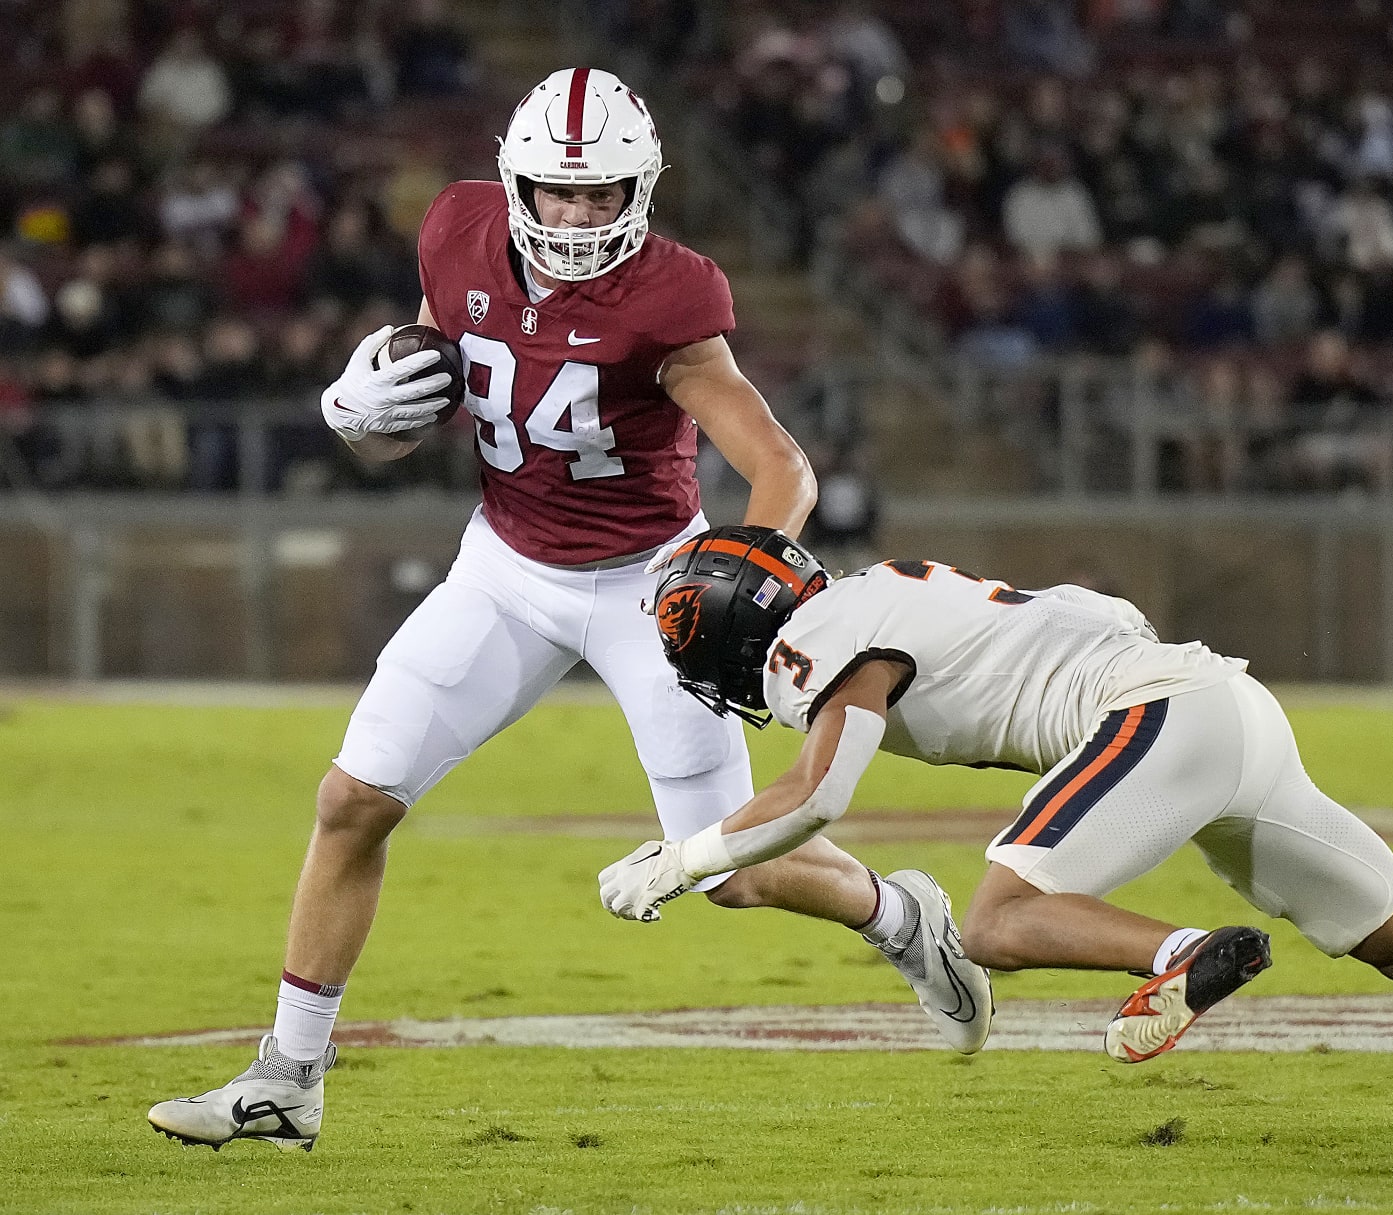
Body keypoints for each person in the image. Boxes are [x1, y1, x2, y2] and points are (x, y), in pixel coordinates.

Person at [147, 69, 989, 1153]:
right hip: (504, 571)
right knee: (353, 799)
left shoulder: (673, 298)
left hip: (647, 586)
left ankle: (899, 914)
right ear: (515, 184)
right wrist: (359, 415)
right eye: (556, 192)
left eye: (601, 196)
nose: (579, 215)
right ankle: (288, 1075)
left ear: (641, 191)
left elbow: (780, 465)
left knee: (725, 871)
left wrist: (752, 556)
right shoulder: (455, 233)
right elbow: (423, 402)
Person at [601, 526, 1393, 1177]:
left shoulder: (821, 640)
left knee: (994, 921)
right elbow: (1103, 613)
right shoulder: (894, 588)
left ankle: (1189, 952)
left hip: (1162, 716)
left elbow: (814, 797)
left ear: (739, 631)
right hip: (1221, 710)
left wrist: (682, 856)